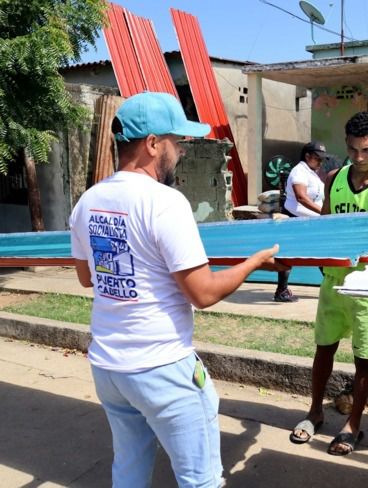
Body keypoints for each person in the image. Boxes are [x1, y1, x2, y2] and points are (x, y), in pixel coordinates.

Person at [69, 92, 286, 488]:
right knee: (199, 480)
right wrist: (254, 262)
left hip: (109, 366)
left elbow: (88, 278)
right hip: (162, 365)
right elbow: (202, 293)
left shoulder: (88, 201)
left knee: (129, 469)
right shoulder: (165, 202)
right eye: (177, 141)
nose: (182, 152)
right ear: (153, 144)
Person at [289, 111, 368, 455]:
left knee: (363, 358)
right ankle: (314, 411)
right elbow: (326, 225)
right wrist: (321, 259)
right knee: (323, 347)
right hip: (334, 283)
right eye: (353, 149)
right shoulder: (334, 179)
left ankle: (353, 424)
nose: (358, 157)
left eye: (367, 150)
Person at [274, 141, 326, 302]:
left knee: (321, 253)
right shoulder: (299, 172)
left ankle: (335, 285)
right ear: (307, 156)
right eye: (318, 158)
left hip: (311, 221)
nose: (320, 162)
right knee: (287, 255)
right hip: (295, 220)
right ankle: (281, 291)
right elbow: (301, 197)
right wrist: (324, 213)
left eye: (322, 159)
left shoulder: (311, 172)